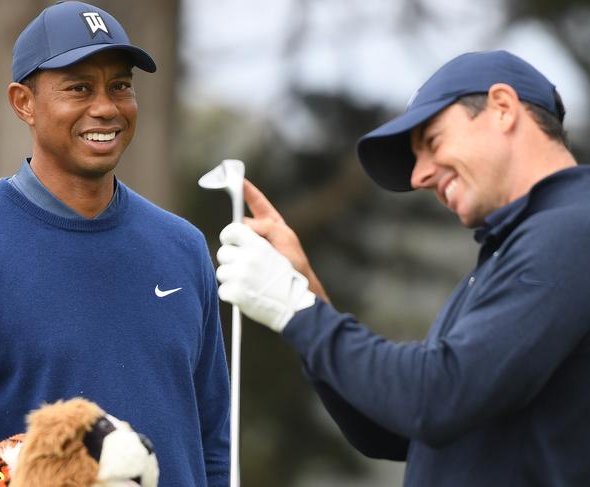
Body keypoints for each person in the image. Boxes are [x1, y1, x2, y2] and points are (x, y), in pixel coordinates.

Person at [215, 50, 590, 486]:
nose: (418, 177)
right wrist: (306, 293)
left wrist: (295, 307)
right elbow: (391, 430)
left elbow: (436, 397)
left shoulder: (572, 231)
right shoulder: (519, 248)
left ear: (503, 108)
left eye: (432, 143)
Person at [0, 2, 229, 486]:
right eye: (79, 88)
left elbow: (213, 443)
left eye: (120, 86)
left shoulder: (183, 247)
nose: (106, 107)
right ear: (23, 103)